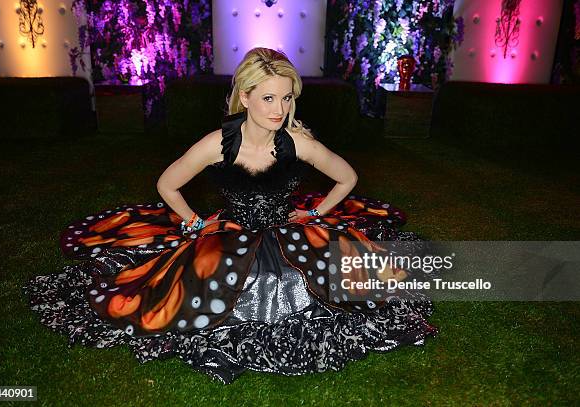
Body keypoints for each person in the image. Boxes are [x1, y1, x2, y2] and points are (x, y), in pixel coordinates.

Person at [23, 47, 437, 384]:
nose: (279, 109)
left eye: (287, 97)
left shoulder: (297, 141)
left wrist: (312, 212)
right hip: (229, 232)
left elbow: (347, 178)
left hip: (288, 231)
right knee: (205, 282)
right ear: (245, 96)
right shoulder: (216, 144)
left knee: (303, 277)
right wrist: (194, 223)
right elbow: (167, 184)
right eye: (269, 98)